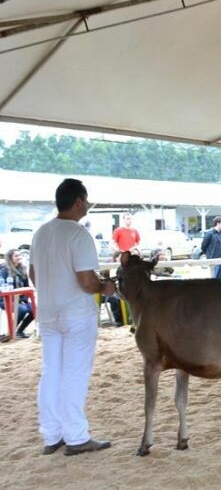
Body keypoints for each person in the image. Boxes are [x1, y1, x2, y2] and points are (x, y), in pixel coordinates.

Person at [29, 178, 115, 456]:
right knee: (74, 374)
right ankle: (77, 437)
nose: (87, 204)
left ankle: (52, 435)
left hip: (49, 313)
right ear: (78, 201)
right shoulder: (78, 234)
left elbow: (33, 274)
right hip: (76, 314)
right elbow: (86, 282)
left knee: (51, 372)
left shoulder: (41, 232)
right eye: (86, 199)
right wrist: (106, 287)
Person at [0, 248, 35, 338]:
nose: (19, 257)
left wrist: (24, 300)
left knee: (34, 310)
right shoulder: (4, 270)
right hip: (5, 299)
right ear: (10, 258)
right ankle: (10, 333)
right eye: (16, 256)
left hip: (20, 299)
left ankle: (19, 331)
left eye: (20, 255)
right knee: (22, 310)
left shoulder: (22, 269)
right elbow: (3, 287)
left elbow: (26, 286)